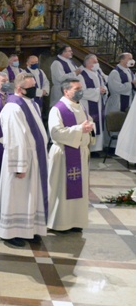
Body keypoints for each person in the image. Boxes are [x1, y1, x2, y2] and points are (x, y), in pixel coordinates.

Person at [0, 73, 48, 247]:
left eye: (34, 86)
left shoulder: (31, 103)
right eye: (30, 87)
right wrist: (19, 165)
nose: (34, 90)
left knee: (31, 196)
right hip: (20, 159)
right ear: (19, 88)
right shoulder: (13, 108)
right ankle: (10, 233)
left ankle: (28, 229)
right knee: (17, 196)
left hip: (35, 157)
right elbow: (14, 139)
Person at [47, 78, 95, 232]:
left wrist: (89, 128)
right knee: (62, 189)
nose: (80, 91)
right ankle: (60, 223)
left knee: (79, 189)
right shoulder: (58, 109)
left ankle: (75, 221)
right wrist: (80, 129)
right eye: (76, 88)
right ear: (66, 91)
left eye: (80, 87)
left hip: (80, 152)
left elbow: (89, 124)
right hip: (64, 154)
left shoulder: (81, 106)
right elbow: (56, 133)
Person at [79, 54, 107, 153]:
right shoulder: (81, 76)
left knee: (98, 124)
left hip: (99, 104)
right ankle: (89, 148)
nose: (97, 64)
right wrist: (97, 91)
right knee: (90, 124)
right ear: (88, 63)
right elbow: (81, 92)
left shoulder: (98, 74)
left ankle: (97, 148)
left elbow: (103, 86)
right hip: (87, 104)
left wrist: (104, 90)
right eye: (95, 62)